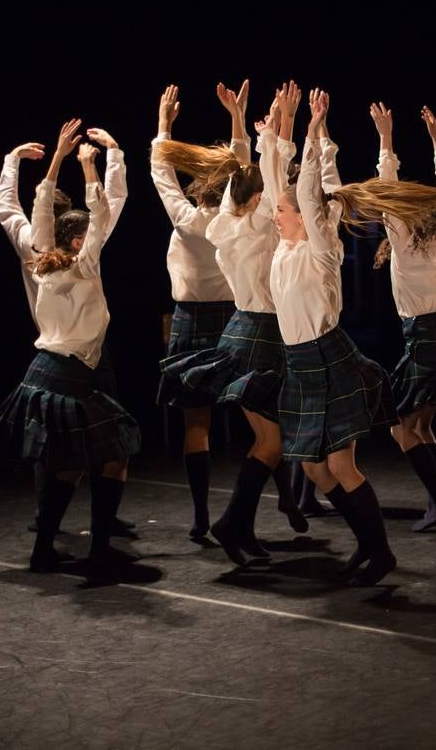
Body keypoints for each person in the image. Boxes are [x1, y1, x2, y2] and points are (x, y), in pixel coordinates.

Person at [270, 92, 436, 586]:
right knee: (313, 470)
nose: (277, 215)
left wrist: (311, 133)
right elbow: (284, 184)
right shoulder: (283, 248)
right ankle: (369, 546)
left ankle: (378, 552)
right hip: (300, 365)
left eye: (283, 211)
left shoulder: (321, 248)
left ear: (304, 217)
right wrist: (281, 127)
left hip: (329, 359)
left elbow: (314, 194)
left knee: (339, 466)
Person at [157, 82, 307, 565]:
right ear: (251, 200)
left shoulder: (213, 223)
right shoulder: (254, 223)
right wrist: (270, 127)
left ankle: (228, 521)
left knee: (261, 434)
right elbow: (260, 175)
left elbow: (169, 176)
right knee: (271, 437)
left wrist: (165, 130)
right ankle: (232, 521)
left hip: (235, 328)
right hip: (251, 329)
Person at [0, 138, 140, 573]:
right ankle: (97, 546)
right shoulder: (85, 263)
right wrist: (91, 165)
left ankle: (46, 546)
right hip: (72, 371)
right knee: (113, 453)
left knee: (68, 461)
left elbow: (21, 209)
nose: (97, 237)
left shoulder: (39, 258)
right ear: (76, 241)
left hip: (47, 368)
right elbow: (104, 210)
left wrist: (44, 163)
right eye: (89, 235)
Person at [371, 102, 436, 531]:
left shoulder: (403, 240)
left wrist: (386, 137)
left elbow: (386, 185)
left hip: (426, 337)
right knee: (424, 426)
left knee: (400, 428)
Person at [151, 84, 244, 540]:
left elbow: (161, 176)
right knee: (260, 413)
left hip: (191, 320)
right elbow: (245, 168)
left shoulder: (187, 222)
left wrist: (164, 125)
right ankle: (286, 498)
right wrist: (238, 118)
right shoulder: (236, 222)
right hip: (233, 320)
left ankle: (201, 517)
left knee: (197, 422)